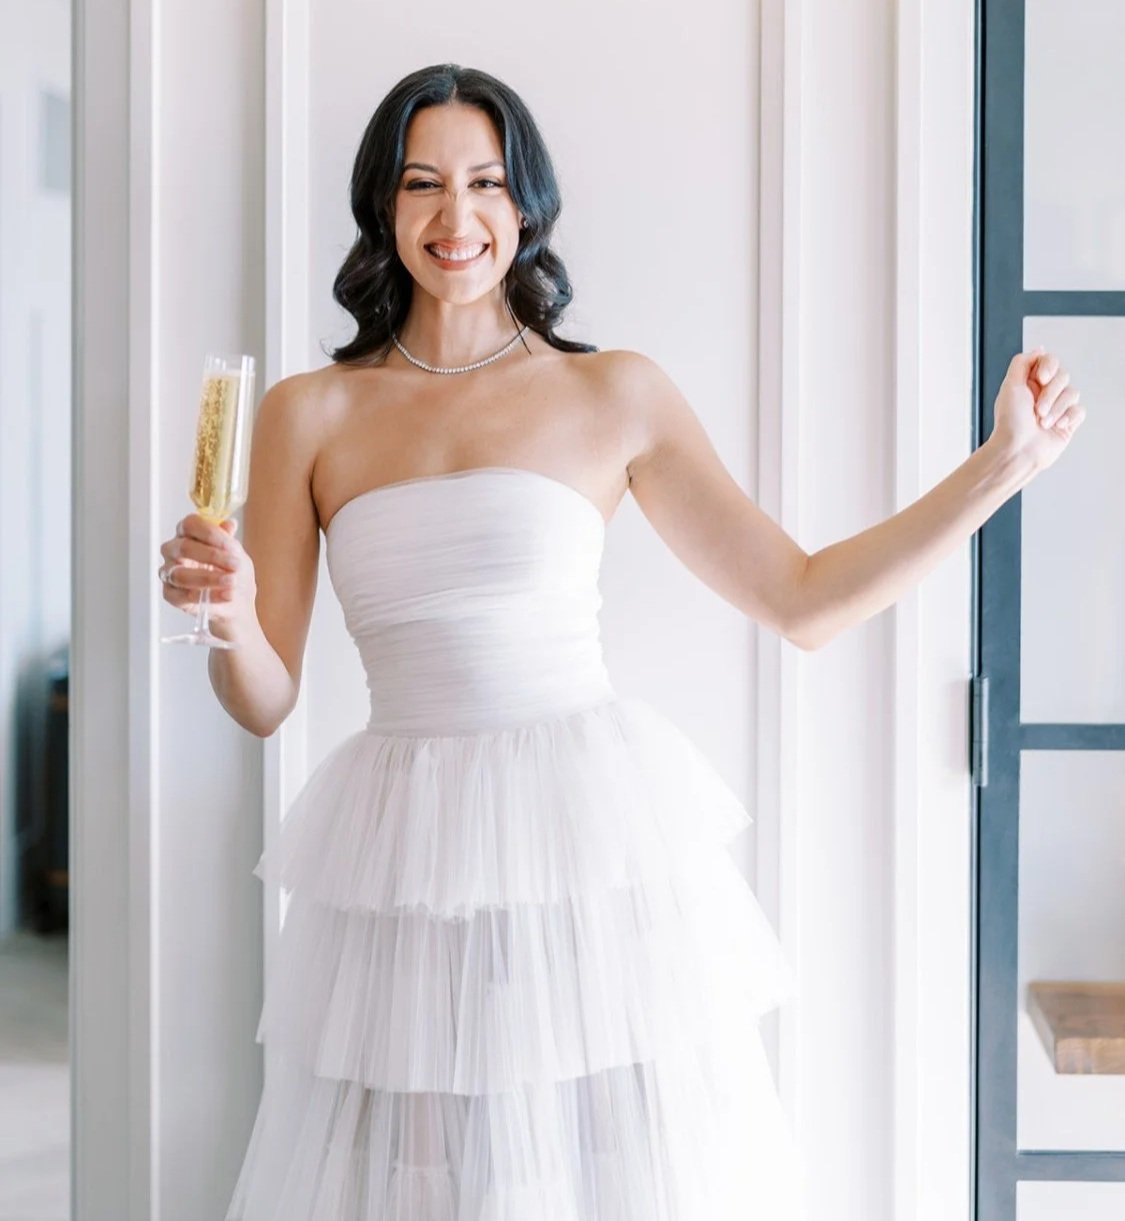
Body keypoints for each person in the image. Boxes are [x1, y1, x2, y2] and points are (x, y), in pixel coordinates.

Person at [156, 63, 1083, 1221]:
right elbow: (262, 698)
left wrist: (1001, 468)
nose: (456, 215)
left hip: (580, 843)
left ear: (528, 202)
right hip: (402, 858)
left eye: (487, 182)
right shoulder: (308, 411)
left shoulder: (614, 395)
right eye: (423, 184)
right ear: (382, 207)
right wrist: (231, 615)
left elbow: (803, 600)